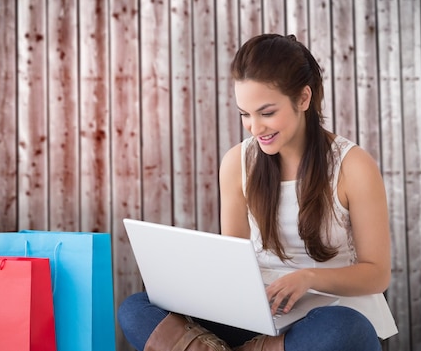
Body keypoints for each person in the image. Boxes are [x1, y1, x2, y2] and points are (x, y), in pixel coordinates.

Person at [118, 33, 398, 351]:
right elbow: (234, 264)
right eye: (245, 114)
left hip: (328, 312)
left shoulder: (353, 165)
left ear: (303, 99)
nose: (254, 127)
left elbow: (377, 274)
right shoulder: (237, 162)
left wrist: (308, 278)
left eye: (266, 113)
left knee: (344, 331)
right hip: (258, 316)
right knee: (137, 308)